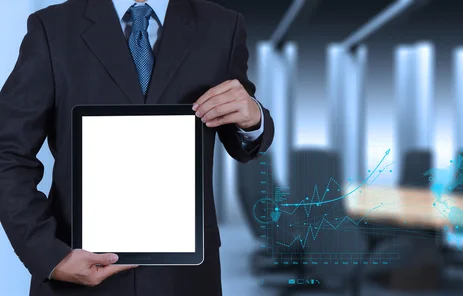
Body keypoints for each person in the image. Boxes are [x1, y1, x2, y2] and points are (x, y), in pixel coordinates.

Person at [0, 0, 274, 295]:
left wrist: (253, 118)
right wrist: (49, 255)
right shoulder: (51, 27)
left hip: (184, 279)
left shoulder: (222, 26)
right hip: (74, 270)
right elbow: (8, 151)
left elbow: (239, 133)